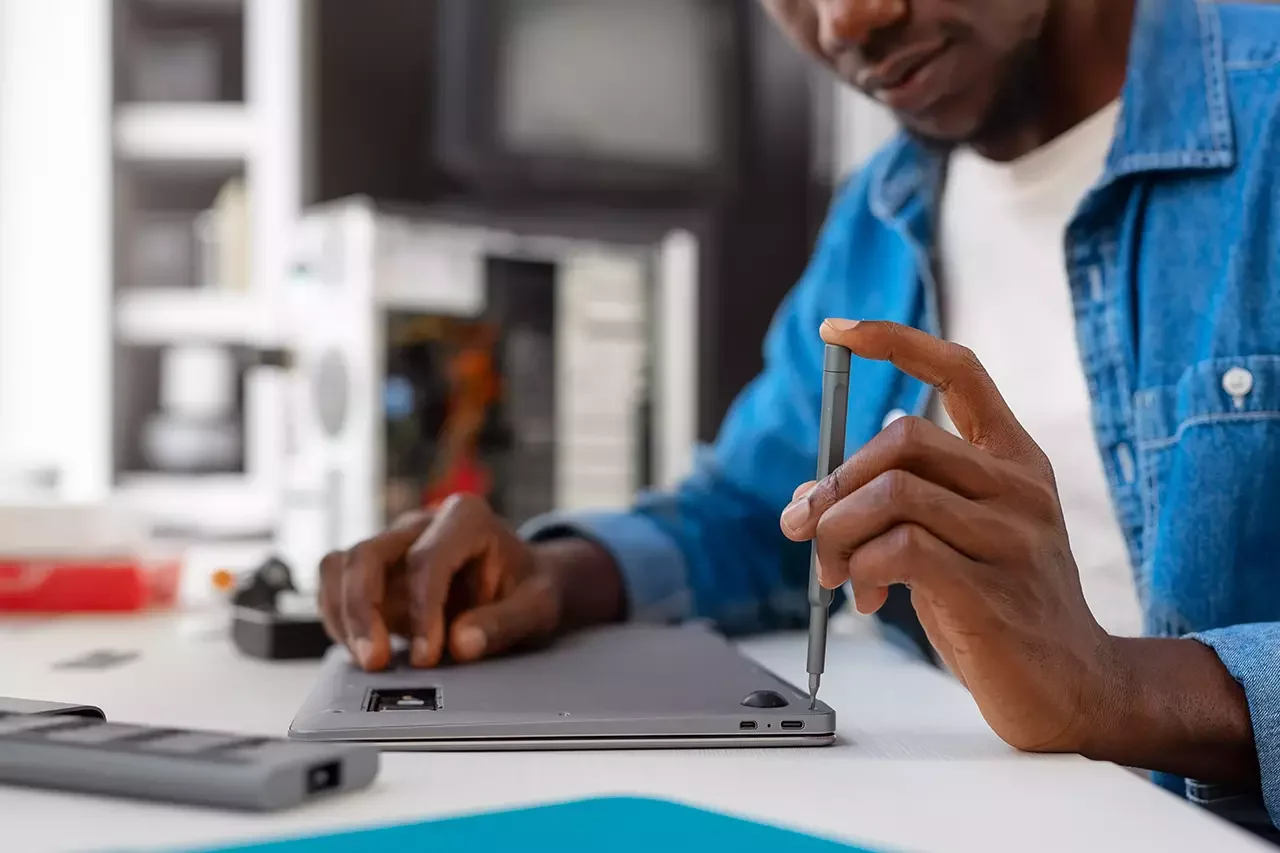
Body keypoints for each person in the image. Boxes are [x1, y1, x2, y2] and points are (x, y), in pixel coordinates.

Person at [317, 0, 1280, 836]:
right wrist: (556, 575)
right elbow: (758, 510)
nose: (844, 21)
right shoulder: (882, 213)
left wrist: (1117, 688)